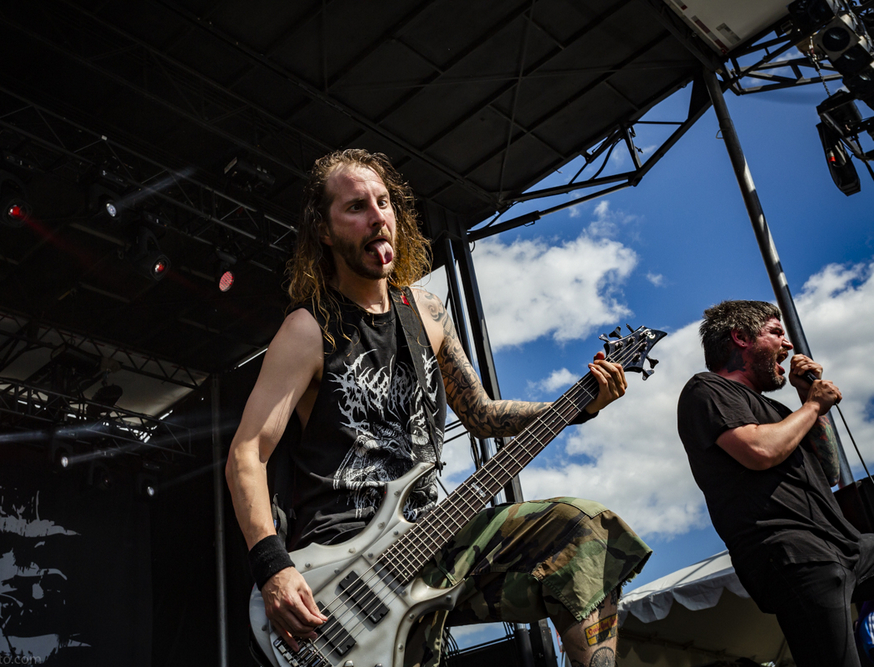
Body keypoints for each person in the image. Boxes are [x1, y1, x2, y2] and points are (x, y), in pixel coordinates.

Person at [226, 148, 651, 667]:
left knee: (582, 531)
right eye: (356, 207)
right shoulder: (308, 330)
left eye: (384, 202)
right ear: (324, 230)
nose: (377, 216)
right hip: (343, 569)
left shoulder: (425, 312)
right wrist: (273, 566)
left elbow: (482, 414)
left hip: (433, 536)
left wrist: (578, 405)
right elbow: (247, 453)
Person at [677, 300, 874, 666]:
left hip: (845, 546)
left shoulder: (783, 415)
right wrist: (812, 406)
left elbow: (829, 470)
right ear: (741, 337)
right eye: (776, 333)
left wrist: (804, 398)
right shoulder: (707, 389)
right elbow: (759, 451)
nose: (788, 345)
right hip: (796, 555)